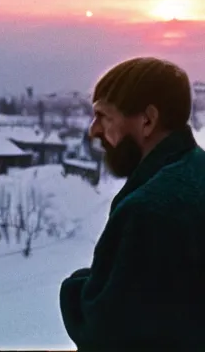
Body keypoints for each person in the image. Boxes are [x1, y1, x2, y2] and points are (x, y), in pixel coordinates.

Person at [59, 57, 205, 351]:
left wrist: (77, 290)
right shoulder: (195, 171)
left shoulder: (150, 209)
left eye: (104, 116)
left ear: (148, 120)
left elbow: (104, 330)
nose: (93, 130)